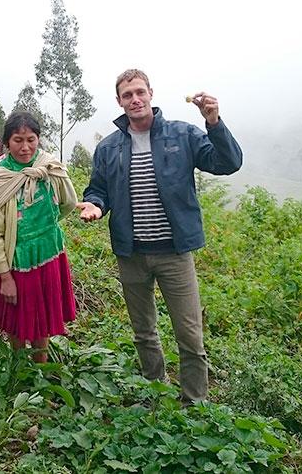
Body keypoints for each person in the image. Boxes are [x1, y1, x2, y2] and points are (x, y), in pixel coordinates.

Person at [75, 68, 242, 403]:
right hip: (131, 252)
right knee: (144, 332)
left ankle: (195, 402)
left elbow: (228, 163)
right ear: (119, 101)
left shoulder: (183, 135)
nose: (135, 99)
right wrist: (94, 205)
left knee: (190, 333)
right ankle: (154, 390)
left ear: (151, 93)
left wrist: (214, 122)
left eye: (139, 92)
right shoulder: (108, 148)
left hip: (174, 252)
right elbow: (98, 190)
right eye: (127, 95)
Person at [0, 111, 77, 362]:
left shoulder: (49, 167)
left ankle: (40, 368)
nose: (25, 147)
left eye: (31, 139)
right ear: (6, 143)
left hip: (48, 252)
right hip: (13, 260)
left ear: (38, 139)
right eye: (18, 140)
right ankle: (19, 368)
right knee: (16, 320)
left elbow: (68, 202)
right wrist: (5, 277)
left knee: (43, 318)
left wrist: (44, 227)